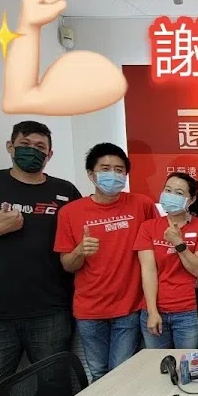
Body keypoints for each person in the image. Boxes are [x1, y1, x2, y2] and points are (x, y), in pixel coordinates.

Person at [0, 121, 81, 378]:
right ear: (10, 147)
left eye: (40, 147)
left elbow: (78, 245)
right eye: (25, 144)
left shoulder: (65, 191)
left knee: (56, 389)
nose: (32, 151)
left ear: (50, 154)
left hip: (51, 312)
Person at [54, 143, 158, 381]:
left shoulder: (142, 205)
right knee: (99, 373)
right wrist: (80, 251)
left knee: (122, 372)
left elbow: (157, 248)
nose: (113, 174)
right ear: (91, 174)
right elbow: (67, 265)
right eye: (105, 168)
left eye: (119, 170)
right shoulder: (70, 212)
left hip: (129, 307)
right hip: (90, 309)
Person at [135, 173, 198, 349]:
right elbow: (148, 271)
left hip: (188, 312)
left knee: (188, 363)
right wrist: (152, 311)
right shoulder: (148, 227)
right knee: (157, 362)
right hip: (155, 310)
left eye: (179, 193)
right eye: (168, 190)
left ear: (191, 200)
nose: (171, 196)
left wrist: (179, 243)